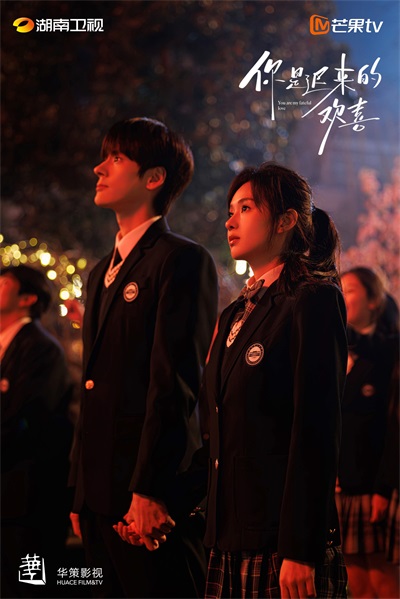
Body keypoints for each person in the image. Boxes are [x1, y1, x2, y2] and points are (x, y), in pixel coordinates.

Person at [68, 117, 218, 598]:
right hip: (98, 494)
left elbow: (174, 381)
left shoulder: (181, 259)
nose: (99, 168)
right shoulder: (99, 273)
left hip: (143, 495)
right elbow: (91, 384)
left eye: (116, 158)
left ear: (154, 178)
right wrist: (79, 489)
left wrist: (149, 487)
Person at [201, 162, 349, 599]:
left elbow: (316, 429)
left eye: (246, 208)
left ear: (285, 221)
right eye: (230, 210)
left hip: (280, 542)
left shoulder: (312, 298)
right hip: (228, 533)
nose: (230, 221)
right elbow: (220, 426)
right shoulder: (236, 311)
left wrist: (300, 547)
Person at [1, 265, 74, 598]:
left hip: (27, 501)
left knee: (27, 587)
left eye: (4, 283)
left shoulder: (41, 348)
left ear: (27, 298)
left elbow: (26, 418)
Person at [336, 267, 400, 598]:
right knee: (357, 582)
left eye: (349, 290)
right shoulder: (339, 350)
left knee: (382, 578)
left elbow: (394, 426)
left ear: (373, 299)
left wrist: (384, 487)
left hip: (375, 486)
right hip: (344, 485)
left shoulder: (391, 352)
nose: (341, 297)